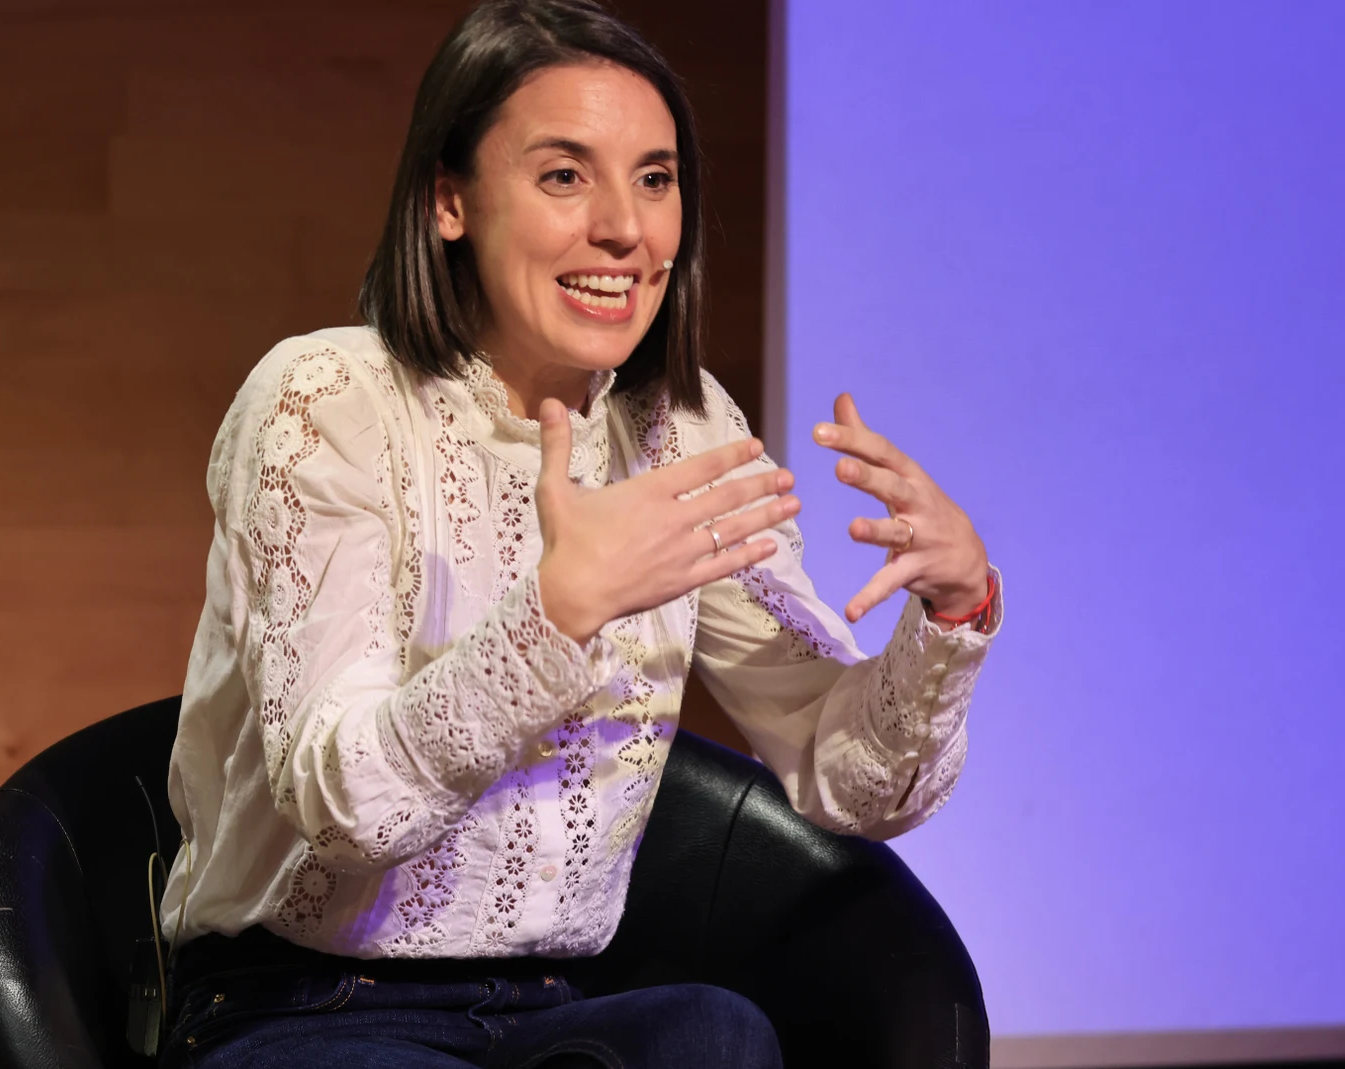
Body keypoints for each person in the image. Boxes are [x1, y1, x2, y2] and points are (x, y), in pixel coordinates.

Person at [156, 1, 1002, 1066]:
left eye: (655, 179)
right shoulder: (326, 399)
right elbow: (342, 804)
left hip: (552, 1003)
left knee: (716, 1033)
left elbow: (846, 772)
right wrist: (558, 615)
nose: (626, 229)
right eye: (564, 175)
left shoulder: (681, 425)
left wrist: (954, 610)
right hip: (302, 1004)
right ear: (448, 199)